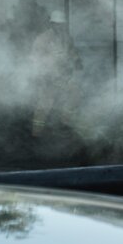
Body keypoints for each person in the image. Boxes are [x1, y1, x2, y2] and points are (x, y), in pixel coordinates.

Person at [29, 9, 85, 163]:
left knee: (75, 94)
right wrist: (42, 76)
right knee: (44, 106)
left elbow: (72, 52)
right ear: (51, 23)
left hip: (62, 76)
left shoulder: (66, 37)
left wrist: (77, 61)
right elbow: (34, 60)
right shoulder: (42, 39)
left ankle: (64, 123)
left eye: (62, 24)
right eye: (57, 24)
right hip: (48, 77)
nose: (60, 27)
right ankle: (36, 135)